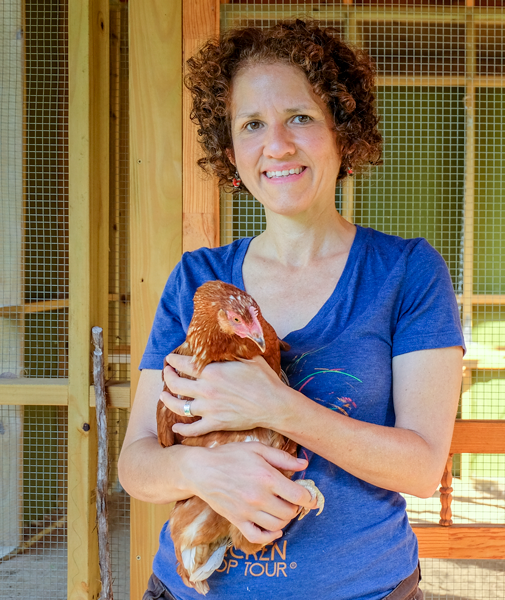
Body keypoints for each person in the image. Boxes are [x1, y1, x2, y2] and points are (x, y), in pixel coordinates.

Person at [118, 20, 465, 600]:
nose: (276, 144)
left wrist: (277, 406)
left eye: (299, 117)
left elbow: (423, 468)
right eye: (252, 124)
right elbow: (137, 464)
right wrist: (202, 472)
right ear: (231, 152)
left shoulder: (406, 273)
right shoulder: (196, 280)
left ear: (341, 131)